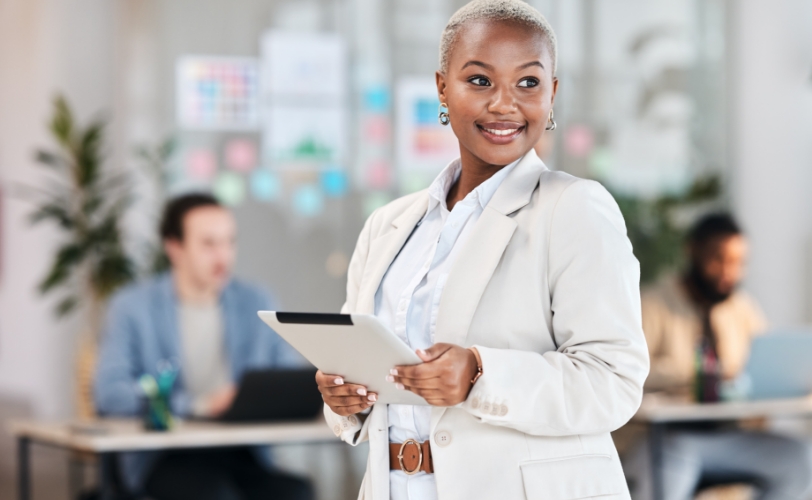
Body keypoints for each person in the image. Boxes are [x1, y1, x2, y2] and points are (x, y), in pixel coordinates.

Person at [315, 1, 650, 499]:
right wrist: (345, 396)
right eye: (480, 80)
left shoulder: (573, 208)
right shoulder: (388, 227)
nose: (504, 104)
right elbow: (362, 374)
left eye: (529, 83)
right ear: (442, 88)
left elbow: (613, 381)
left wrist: (479, 373)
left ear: (552, 95)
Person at [94, 193, 313, 500]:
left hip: (240, 451)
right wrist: (198, 405)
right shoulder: (132, 308)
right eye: (209, 244)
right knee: (214, 495)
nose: (223, 256)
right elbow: (110, 394)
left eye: (229, 242)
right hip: (165, 456)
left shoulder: (257, 303)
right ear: (174, 248)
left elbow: (288, 380)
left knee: (297, 493)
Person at [627, 213, 812, 500]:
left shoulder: (742, 308)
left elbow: (766, 365)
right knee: (672, 466)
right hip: (669, 439)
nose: (729, 271)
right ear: (693, 251)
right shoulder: (651, 305)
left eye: (738, 263)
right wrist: (694, 375)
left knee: (799, 458)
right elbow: (627, 372)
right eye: (718, 259)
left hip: (728, 437)